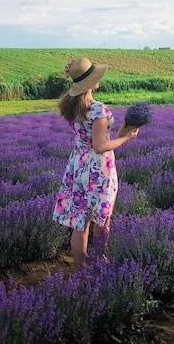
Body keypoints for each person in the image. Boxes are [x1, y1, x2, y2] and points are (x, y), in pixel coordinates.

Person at [52, 56, 139, 272]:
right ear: (90, 82)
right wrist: (127, 138)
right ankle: (100, 262)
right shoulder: (98, 110)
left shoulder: (73, 106)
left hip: (78, 165)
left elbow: (92, 140)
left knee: (80, 223)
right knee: (102, 218)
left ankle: (81, 272)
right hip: (98, 170)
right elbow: (100, 146)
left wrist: (119, 133)